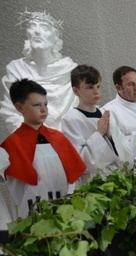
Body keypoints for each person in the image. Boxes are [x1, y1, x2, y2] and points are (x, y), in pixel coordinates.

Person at [0, 79, 86, 229]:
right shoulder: (12, 145)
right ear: (20, 107)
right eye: (36, 105)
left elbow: (73, 177)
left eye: (45, 104)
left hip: (64, 210)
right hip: (31, 215)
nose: (44, 110)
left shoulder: (58, 138)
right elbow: (18, 186)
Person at [0, 11, 78, 137]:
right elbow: (10, 111)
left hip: (68, 140)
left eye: (44, 28)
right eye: (31, 26)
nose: (36, 31)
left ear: (55, 35)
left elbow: (79, 111)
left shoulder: (70, 71)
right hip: (30, 140)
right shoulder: (16, 69)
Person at [61, 65, 135, 184]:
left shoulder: (104, 114)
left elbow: (125, 154)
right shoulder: (70, 120)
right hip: (92, 183)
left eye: (98, 86)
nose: (96, 91)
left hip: (116, 179)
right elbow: (79, 161)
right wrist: (99, 133)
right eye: (90, 87)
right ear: (76, 91)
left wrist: (110, 136)